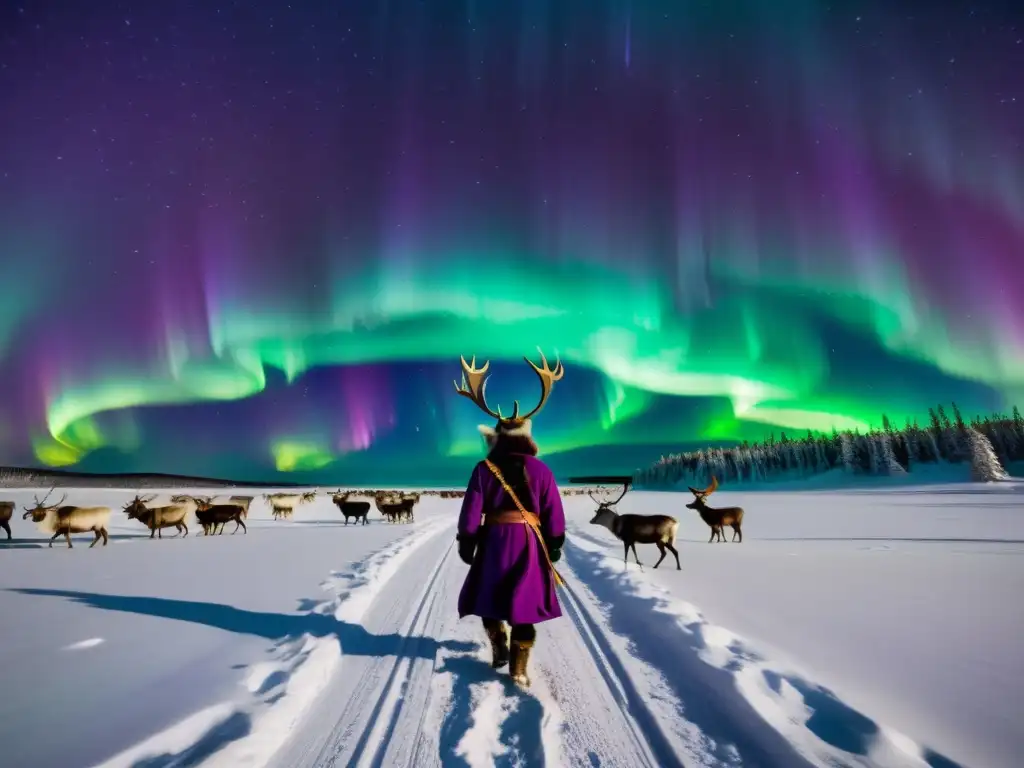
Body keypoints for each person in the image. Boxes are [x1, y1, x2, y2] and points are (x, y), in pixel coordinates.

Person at [453, 351, 567, 687]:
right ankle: (518, 670)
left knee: (490, 592)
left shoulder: (483, 468)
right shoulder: (541, 469)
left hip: (493, 541)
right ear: (528, 436)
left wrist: (468, 539)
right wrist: (555, 542)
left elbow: (472, 508)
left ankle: (499, 647)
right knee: (525, 601)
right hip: (529, 543)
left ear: (498, 436)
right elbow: (553, 511)